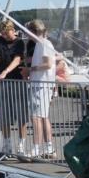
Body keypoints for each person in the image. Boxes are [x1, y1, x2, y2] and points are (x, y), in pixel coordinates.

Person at [0, 20, 29, 156]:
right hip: (4, 83)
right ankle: (7, 144)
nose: (5, 36)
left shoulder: (19, 42)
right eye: (3, 34)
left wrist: (5, 72)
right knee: (5, 114)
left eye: (7, 33)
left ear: (12, 30)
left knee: (21, 115)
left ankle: (21, 145)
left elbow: (17, 59)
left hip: (18, 81)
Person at [25, 19, 58, 158]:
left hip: (41, 84)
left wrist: (30, 69)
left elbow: (48, 64)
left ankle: (36, 148)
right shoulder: (42, 44)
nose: (26, 35)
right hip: (41, 84)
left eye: (28, 32)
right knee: (43, 117)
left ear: (34, 31)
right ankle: (49, 147)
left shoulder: (44, 44)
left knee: (36, 117)